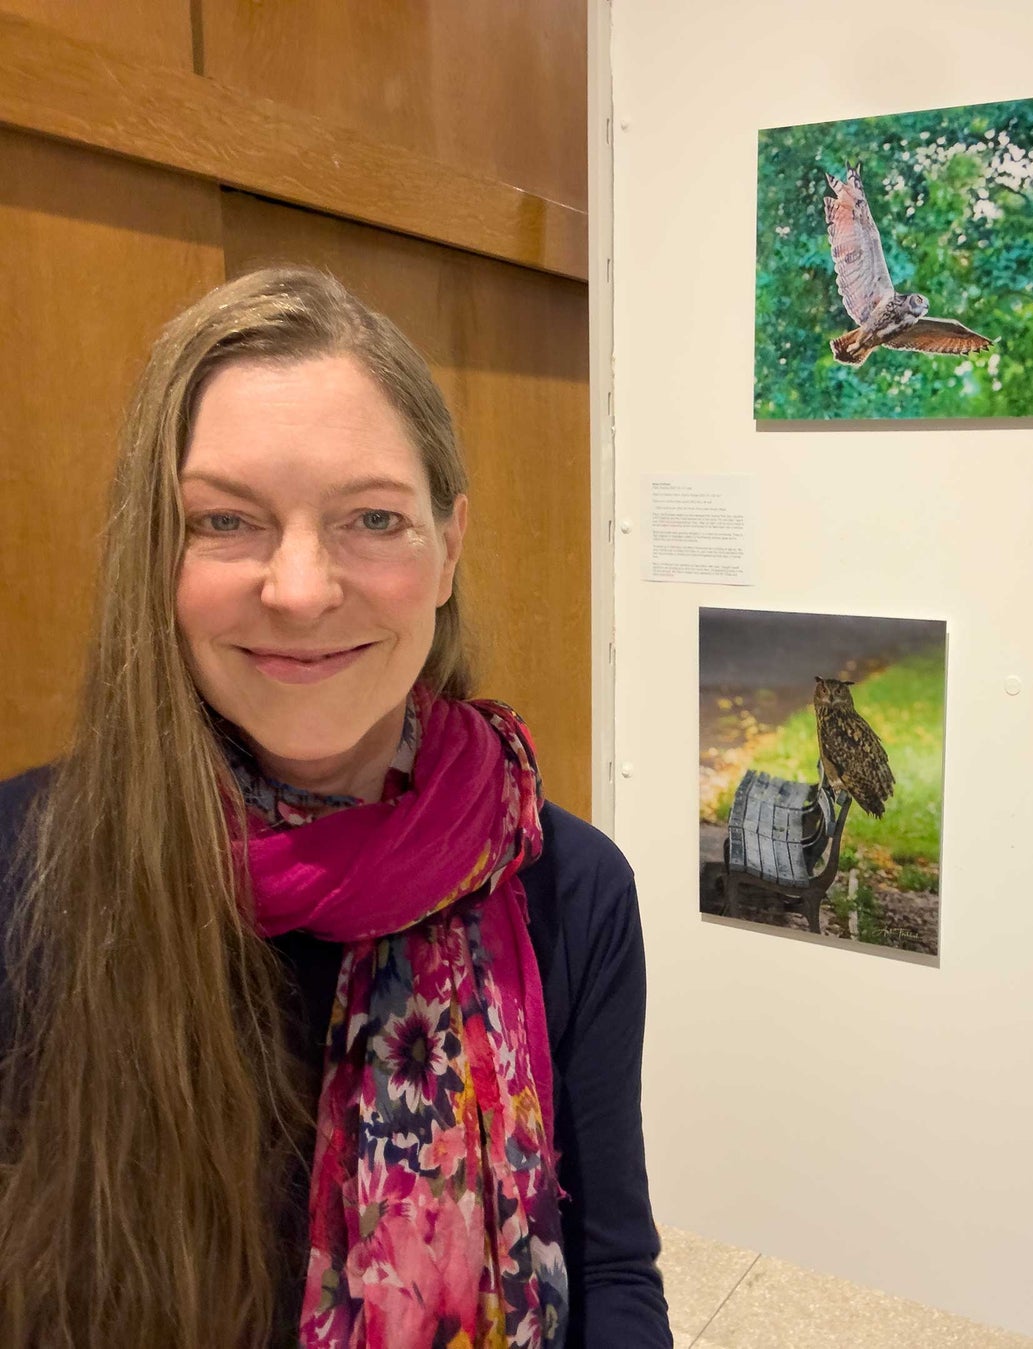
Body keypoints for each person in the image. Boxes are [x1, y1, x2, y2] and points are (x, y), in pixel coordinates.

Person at [0, 267, 672, 1349]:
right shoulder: (31, 863)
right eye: (227, 519)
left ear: (447, 548)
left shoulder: (568, 884)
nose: (302, 589)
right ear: (155, 556)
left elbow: (610, 1271)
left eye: (371, 516)